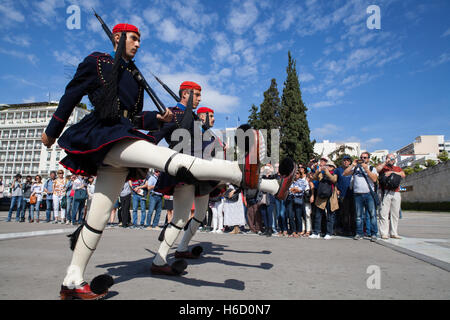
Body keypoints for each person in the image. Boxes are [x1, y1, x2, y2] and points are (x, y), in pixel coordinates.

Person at [43, 23, 269, 299]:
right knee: (175, 160)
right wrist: (52, 131)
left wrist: (156, 119)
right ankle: (240, 170)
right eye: (133, 39)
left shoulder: (134, 77)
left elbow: (133, 116)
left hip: (121, 135)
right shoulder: (97, 62)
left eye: (139, 40)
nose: (137, 44)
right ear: (117, 37)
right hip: (105, 134)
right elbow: (71, 94)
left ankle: (72, 281)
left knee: (97, 217)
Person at [150, 81, 295, 275]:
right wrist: (139, 153)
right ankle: (159, 260)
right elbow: (156, 135)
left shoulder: (195, 120)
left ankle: (182, 248)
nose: (200, 99)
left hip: (199, 173)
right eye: (197, 95)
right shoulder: (174, 114)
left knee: (200, 216)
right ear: (185, 94)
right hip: (183, 170)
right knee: (181, 217)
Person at [343, 152, 379, 241]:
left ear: (368, 159)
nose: (363, 159)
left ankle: (374, 233)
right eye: (361, 157)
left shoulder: (372, 168)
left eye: (365, 157)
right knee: (358, 216)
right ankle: (359, 233)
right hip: (357, 194)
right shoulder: (356, 168)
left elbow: (374, 179)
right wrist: (353, 165)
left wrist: (366, 169)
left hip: (368, 194)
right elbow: (345, 173)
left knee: (372, 215)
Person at [376, 154, 405, 239]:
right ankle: (384, 233)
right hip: (384, 192)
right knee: (383, 213)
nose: (391, 159)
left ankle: (394, 232)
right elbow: (377, 170)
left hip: (395, 192)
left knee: (395, 213)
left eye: (393, 158)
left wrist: (392, 172)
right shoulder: (383, 167)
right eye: (389, 158)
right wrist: (385, 162)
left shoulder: (397, 168)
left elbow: (403, 174)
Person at [310, 161, 339, 239]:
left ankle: (329, 233)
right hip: (321, 197)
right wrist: (318, 171)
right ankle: (316, 232)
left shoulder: (335, 173)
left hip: (331, 197)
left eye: (329, 166)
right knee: (318, 215)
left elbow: (334, 180)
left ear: (333, 167)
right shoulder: (322, 174)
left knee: (330, 215)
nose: (327, 167)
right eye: (327, 166)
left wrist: (327, 172)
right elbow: (314, 178)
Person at [334, 155, 355, 236]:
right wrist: (336, 189)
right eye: (344, 160)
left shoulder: (353, 169)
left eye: (348, 160)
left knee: (352, 213)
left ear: (350, 162)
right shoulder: (338, 170)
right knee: (344, 213)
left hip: (352, 194)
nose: (346, 162)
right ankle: (345, 230)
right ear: (342, 161)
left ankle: (353, 230)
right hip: (343, 194)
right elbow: (335, 181)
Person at [286, 169, 308, 238]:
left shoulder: (303, 181)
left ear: (300, 175)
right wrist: (295, 189)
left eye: (297, 173)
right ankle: (293, 231)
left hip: (298, 199)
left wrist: (294, 189)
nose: (296, 175)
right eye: (295, 173)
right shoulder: (290, 181)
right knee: (291, 216)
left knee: (298, 216)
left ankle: (299, 231)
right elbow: (289, 190)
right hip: (290, 199)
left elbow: (301, 190)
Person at [297, 165, 312, 236]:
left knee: (307, 214)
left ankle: (309, 229)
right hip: (299, 197)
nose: (300, 169)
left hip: (306, 196)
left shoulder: (307, 177)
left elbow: (311, 187)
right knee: (301, 214)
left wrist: (312, 196)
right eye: (299, 168)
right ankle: (303, 229)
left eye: (302, 167)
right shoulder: (298, 178)